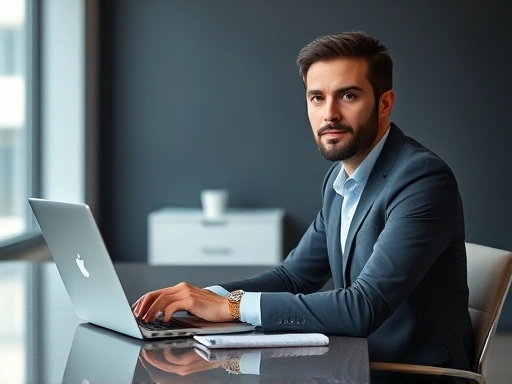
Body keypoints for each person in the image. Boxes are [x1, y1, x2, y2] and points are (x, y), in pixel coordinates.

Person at [133, 31, 474, 370]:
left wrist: (231, 307)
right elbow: (294, 277)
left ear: (384, 103)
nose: (330, 114)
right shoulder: (340, 181)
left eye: (348, 96)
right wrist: (203, 298)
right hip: (349, 364)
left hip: (404, 372)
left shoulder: (422, 179)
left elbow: (363, 307)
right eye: (317, 98)